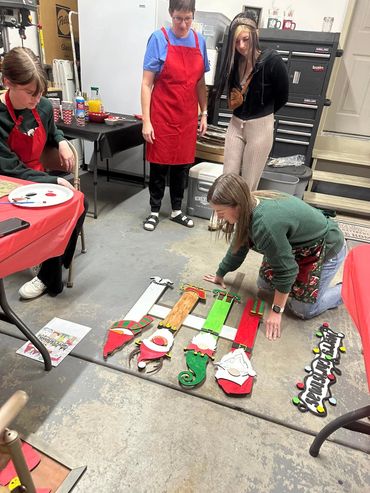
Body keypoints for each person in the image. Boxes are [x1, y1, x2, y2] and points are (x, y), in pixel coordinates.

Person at [204, 174, 346, 341]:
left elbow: (287, 272)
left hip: (323, 248)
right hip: (295, 247)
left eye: (220, 211)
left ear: (238, 205)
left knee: (302, 310)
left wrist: (276, 311)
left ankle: (345, 291)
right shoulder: (249, 204)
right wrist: (220, 274)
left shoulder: (265, 225)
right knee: (264, 286)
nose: (218, 216)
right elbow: (238, 247)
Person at [0, 47, 86, 300]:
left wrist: (59, 140)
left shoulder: (43, 106)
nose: (35, 100)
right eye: (29, 93)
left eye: (40, 94)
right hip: (9, 182)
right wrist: (56, 180)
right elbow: (10, 169)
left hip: (35, 178)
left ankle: (50, 273)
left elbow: (51, 129)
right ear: (8, 83)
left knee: (78, 203)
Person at [141, 0, 209, 231]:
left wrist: (204, 113)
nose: (183, 24)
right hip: (161, 114)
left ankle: (177, 210)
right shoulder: (158, 39)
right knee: (159, 165)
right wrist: (147, 121)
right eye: (178, 18)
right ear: (171, 14)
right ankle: (153, 211)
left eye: (187, 18)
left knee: (182, 166)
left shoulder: (200, 42)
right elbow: (146, 83)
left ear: (193, 15)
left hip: (187, 116)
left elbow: (201, 83)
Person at [210, 12, 289, 191]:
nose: (241, 46)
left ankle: (244, 219)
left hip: (260, 126)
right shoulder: (233, 62)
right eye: (236, 42)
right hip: (236, 124)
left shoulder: (272, 61)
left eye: (245, 39)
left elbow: (282, 97)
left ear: (256, 34)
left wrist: (262, 115)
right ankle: (225, 219)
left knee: (248, 186)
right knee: (227, 181)